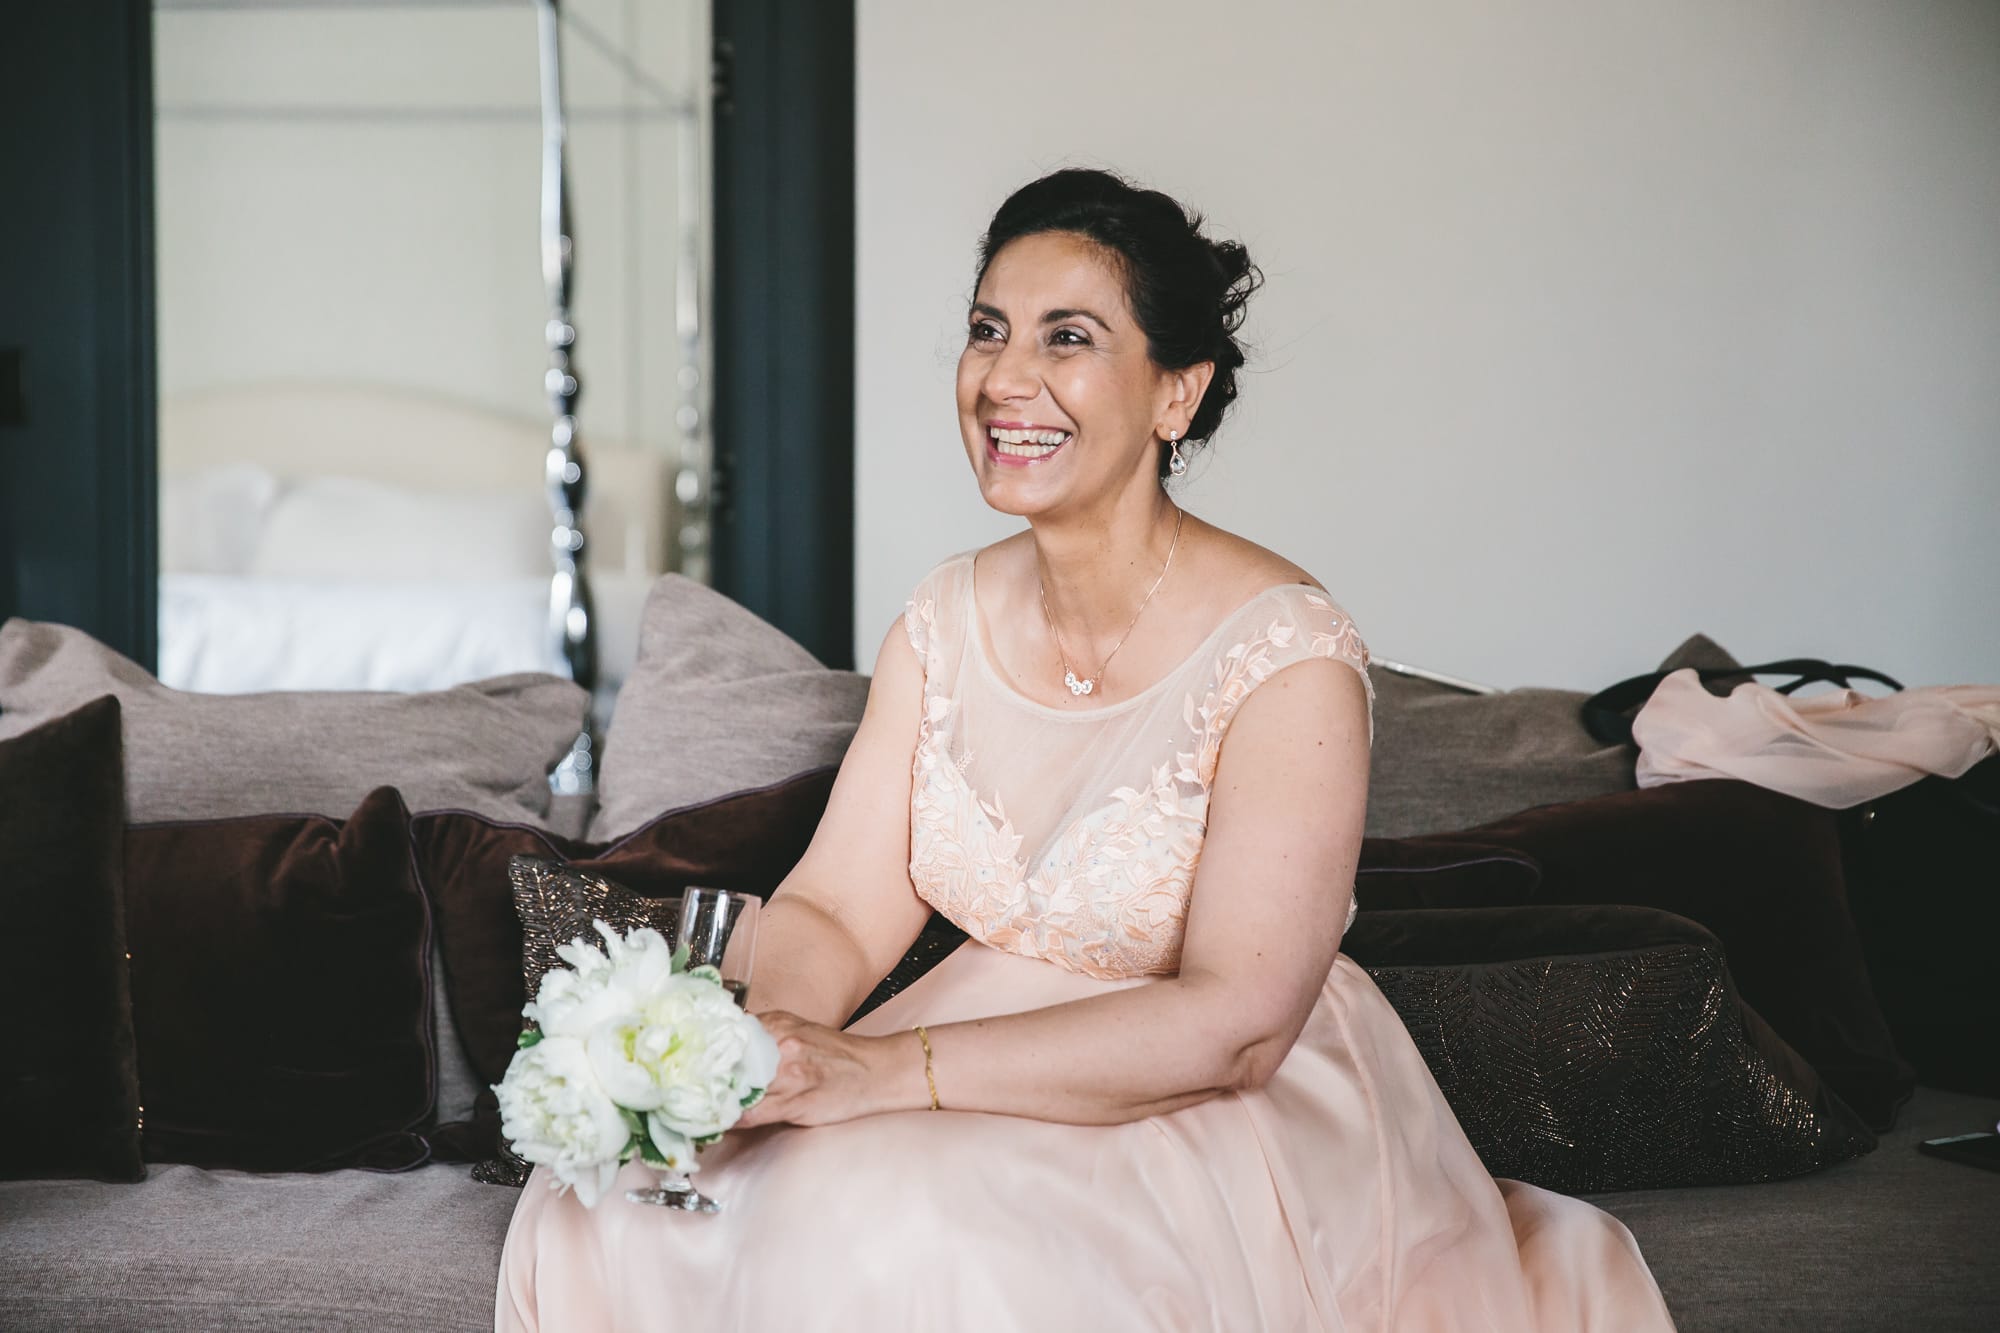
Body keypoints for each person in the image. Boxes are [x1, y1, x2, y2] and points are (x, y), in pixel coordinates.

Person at [496, 167, 1676, 1332]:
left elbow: (1238, 1022)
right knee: (620, 1200)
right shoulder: (938, 623)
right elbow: (837, 914)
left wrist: (870, 1074)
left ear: (1176, 394)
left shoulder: (1288, 653)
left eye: (1067, 338)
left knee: (902, 1224)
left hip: (1194, 1092)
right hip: (953, 1059)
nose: (1006, 378)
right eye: (986, 330)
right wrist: (751, 1056)